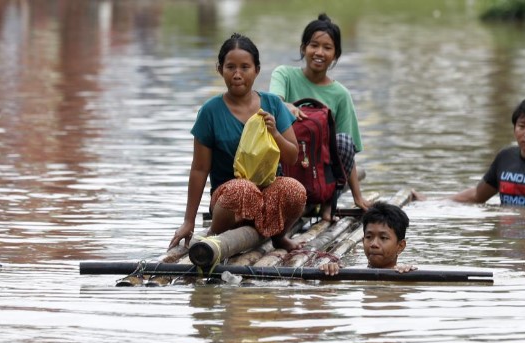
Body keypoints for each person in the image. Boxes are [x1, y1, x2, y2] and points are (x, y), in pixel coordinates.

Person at [169, 33, 306, 252]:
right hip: (230, 199)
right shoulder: (210, 111)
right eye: (230, 67)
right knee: (244, 189)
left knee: (294, 189)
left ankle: (279, 237)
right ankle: (216, 234)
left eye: (245, 67)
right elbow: (199, 168)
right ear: (220, 70)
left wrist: (275, 134)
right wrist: (189, 221)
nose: (237, 74)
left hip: (268, 194)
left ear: (257, 70)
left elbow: (292, 156)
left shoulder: (273, 104)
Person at [269, 13, 372, 221]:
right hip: (287, 165)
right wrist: (286, 105)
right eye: (314, 45)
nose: (319, 52)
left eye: (327, 48)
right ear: (303, 48)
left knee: (343, 141)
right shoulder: (284, 75)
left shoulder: (340, 94)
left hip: (320, 175)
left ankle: (327, 205)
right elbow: (273, 103)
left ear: (335, 55)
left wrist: (357, 196)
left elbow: (347, 152)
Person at [412, 97, 525, 213]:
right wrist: (430, 203)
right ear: (514, 128)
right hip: (508, 236)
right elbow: (476, 196)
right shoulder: (505, 157)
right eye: (522, 126)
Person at [319, 202, 416, 275]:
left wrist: (409, 276)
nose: (374, 244)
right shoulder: (348, 273)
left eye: (383, 238)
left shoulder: (407, 274)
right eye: (369, 237)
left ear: (400, 246)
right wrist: (330, 272)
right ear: (363, 241)